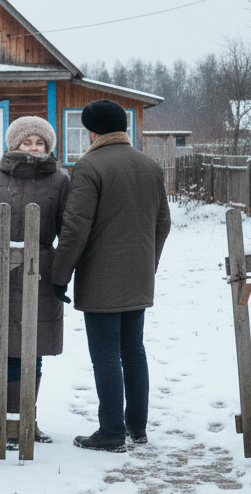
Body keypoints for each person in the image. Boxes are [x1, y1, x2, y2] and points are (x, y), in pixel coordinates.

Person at [51, 99, 170, 453]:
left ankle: (112, 432)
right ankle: (137, 428)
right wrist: (148, 264)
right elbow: (163, 223)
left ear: (92, 131)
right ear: (123, 128)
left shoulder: (90, 166)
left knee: (106, 356)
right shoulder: (150, 165)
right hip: (138, 277)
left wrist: (60, 276)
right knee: (133, 352)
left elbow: (75, 228)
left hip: (102, 280)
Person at [0, 115, 70, 449]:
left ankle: (28, 419)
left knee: (33, 349)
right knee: (7, 349)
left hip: (40, 270)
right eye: (27, 142)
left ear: (48, 147)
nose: (33, 148)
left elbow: (68, 228)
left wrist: (62, 271)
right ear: (14, 144)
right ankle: (10, 421)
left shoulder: (59, 181)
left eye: (39, 143)